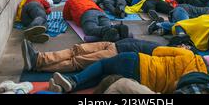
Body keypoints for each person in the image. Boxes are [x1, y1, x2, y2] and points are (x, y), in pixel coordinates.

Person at [48, 46, 209, 94]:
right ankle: (64, 88)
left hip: (139, 62)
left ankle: (72, 80)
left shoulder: (189, 55)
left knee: (103, 65)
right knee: (103, 77)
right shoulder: (196, 81)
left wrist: (177, 49)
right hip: (142, 82)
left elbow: (157, 51)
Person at [21, 38, 161, 73]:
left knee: (77, 62)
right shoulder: (171, 49)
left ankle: (37, 67)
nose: (184, 47)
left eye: (184, 47)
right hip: (114, 44)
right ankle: (39, 58)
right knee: (75, 50)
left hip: (118, 53)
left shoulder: (168, 56)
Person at [63, 0, 128, 42]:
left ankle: (107, 30)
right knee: (108, 27)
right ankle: (118, 27)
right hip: (100, 12)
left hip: (87, 13)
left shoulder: (71, 0)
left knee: (90, 29)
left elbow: (66, 16)